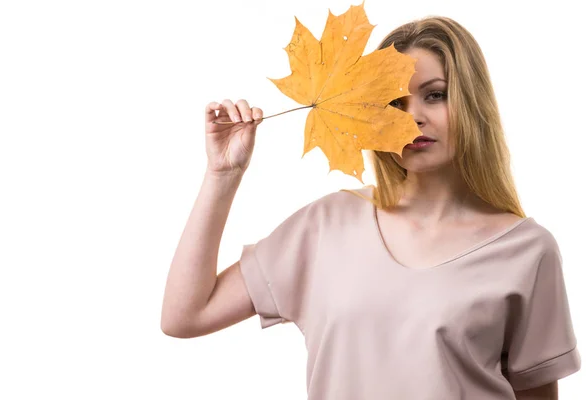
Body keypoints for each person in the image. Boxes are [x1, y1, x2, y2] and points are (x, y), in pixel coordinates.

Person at [161, 15, 581, 399]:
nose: (411, 117)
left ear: (472, 103)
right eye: (394, 103)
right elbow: (185, 316)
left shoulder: (527, 250)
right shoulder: (326, 225)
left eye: (434, 96)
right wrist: (222, 174)